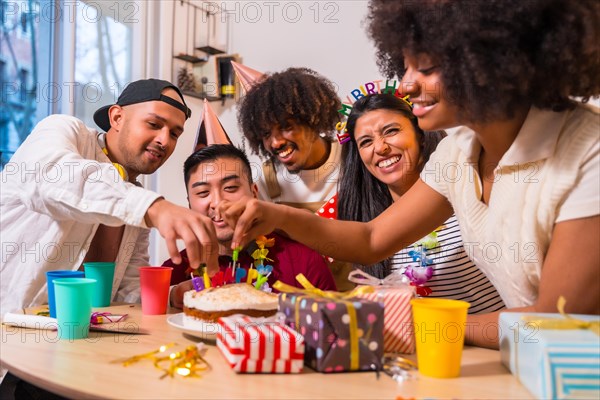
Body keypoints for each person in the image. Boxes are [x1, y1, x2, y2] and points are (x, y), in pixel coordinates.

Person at [219, 0, 600, 349]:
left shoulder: (588, 150)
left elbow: (556, 321)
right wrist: (279, 216)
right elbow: (372, 239)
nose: (405, 85)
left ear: (493, 62)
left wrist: (426, 324)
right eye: (404, 67)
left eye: (427, 68)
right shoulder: (458, 153)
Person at [0, 79, 219, 315]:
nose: (164, 141)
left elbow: (125, 291)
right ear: (116, 118)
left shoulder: (137, 199)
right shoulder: (64, 131)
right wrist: (154, 208)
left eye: (175, 133)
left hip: (69, 337)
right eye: (154, 124)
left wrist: (173, 295)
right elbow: (49, 179)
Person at [338, 93, 505, 314]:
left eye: (391, 131)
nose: (380, 147)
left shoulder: (464, 187)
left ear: (421, 135)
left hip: (492, 343)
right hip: (417, 346)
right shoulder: (365, 217)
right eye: (366, 142)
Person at [165, 144, 337, 308]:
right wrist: (172, 296)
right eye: (203, 192)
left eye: (230, 188)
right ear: (189, 204)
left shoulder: (304, 262)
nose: (218, 203)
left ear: (254, 192)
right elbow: (140, 301)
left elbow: (332, 331)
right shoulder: (176, 269)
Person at [237, 67, 342, 212]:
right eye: (266, 134)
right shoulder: (264, 181)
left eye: (286, 127)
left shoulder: (351, 161)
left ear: (312, 121)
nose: (275, 143)